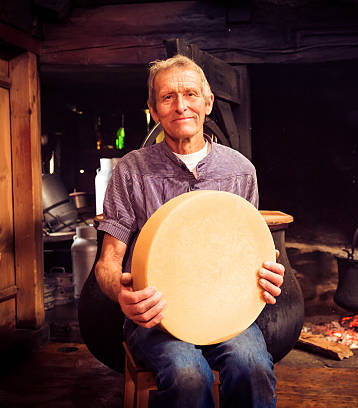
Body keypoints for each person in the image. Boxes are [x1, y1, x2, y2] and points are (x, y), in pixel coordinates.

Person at [95, 54, 285, 408]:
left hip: (226, 312)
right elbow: (108, 262)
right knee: (188, 375)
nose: (181, 106)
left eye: (191, 95)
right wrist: (121, 297)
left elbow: (251, 251)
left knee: (253, 366)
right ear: (153, 109)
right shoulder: (131, 171)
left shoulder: (240, 171)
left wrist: (268, 272)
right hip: (157, 318)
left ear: (208, 102)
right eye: (167, 97)